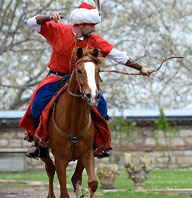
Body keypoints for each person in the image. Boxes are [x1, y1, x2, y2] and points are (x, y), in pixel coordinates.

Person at [20, 1, 151, 159]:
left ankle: (97, 145)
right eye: (92, 25)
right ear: (81, 25)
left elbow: (118, 55)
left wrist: (141, 68)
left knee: (101, 105)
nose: (94, 28)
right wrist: (49, 17)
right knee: (37, 104)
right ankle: (39, 143)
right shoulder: (59, 30)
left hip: (82, 80)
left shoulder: (94, 39)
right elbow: (30, 22)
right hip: (56, 77)